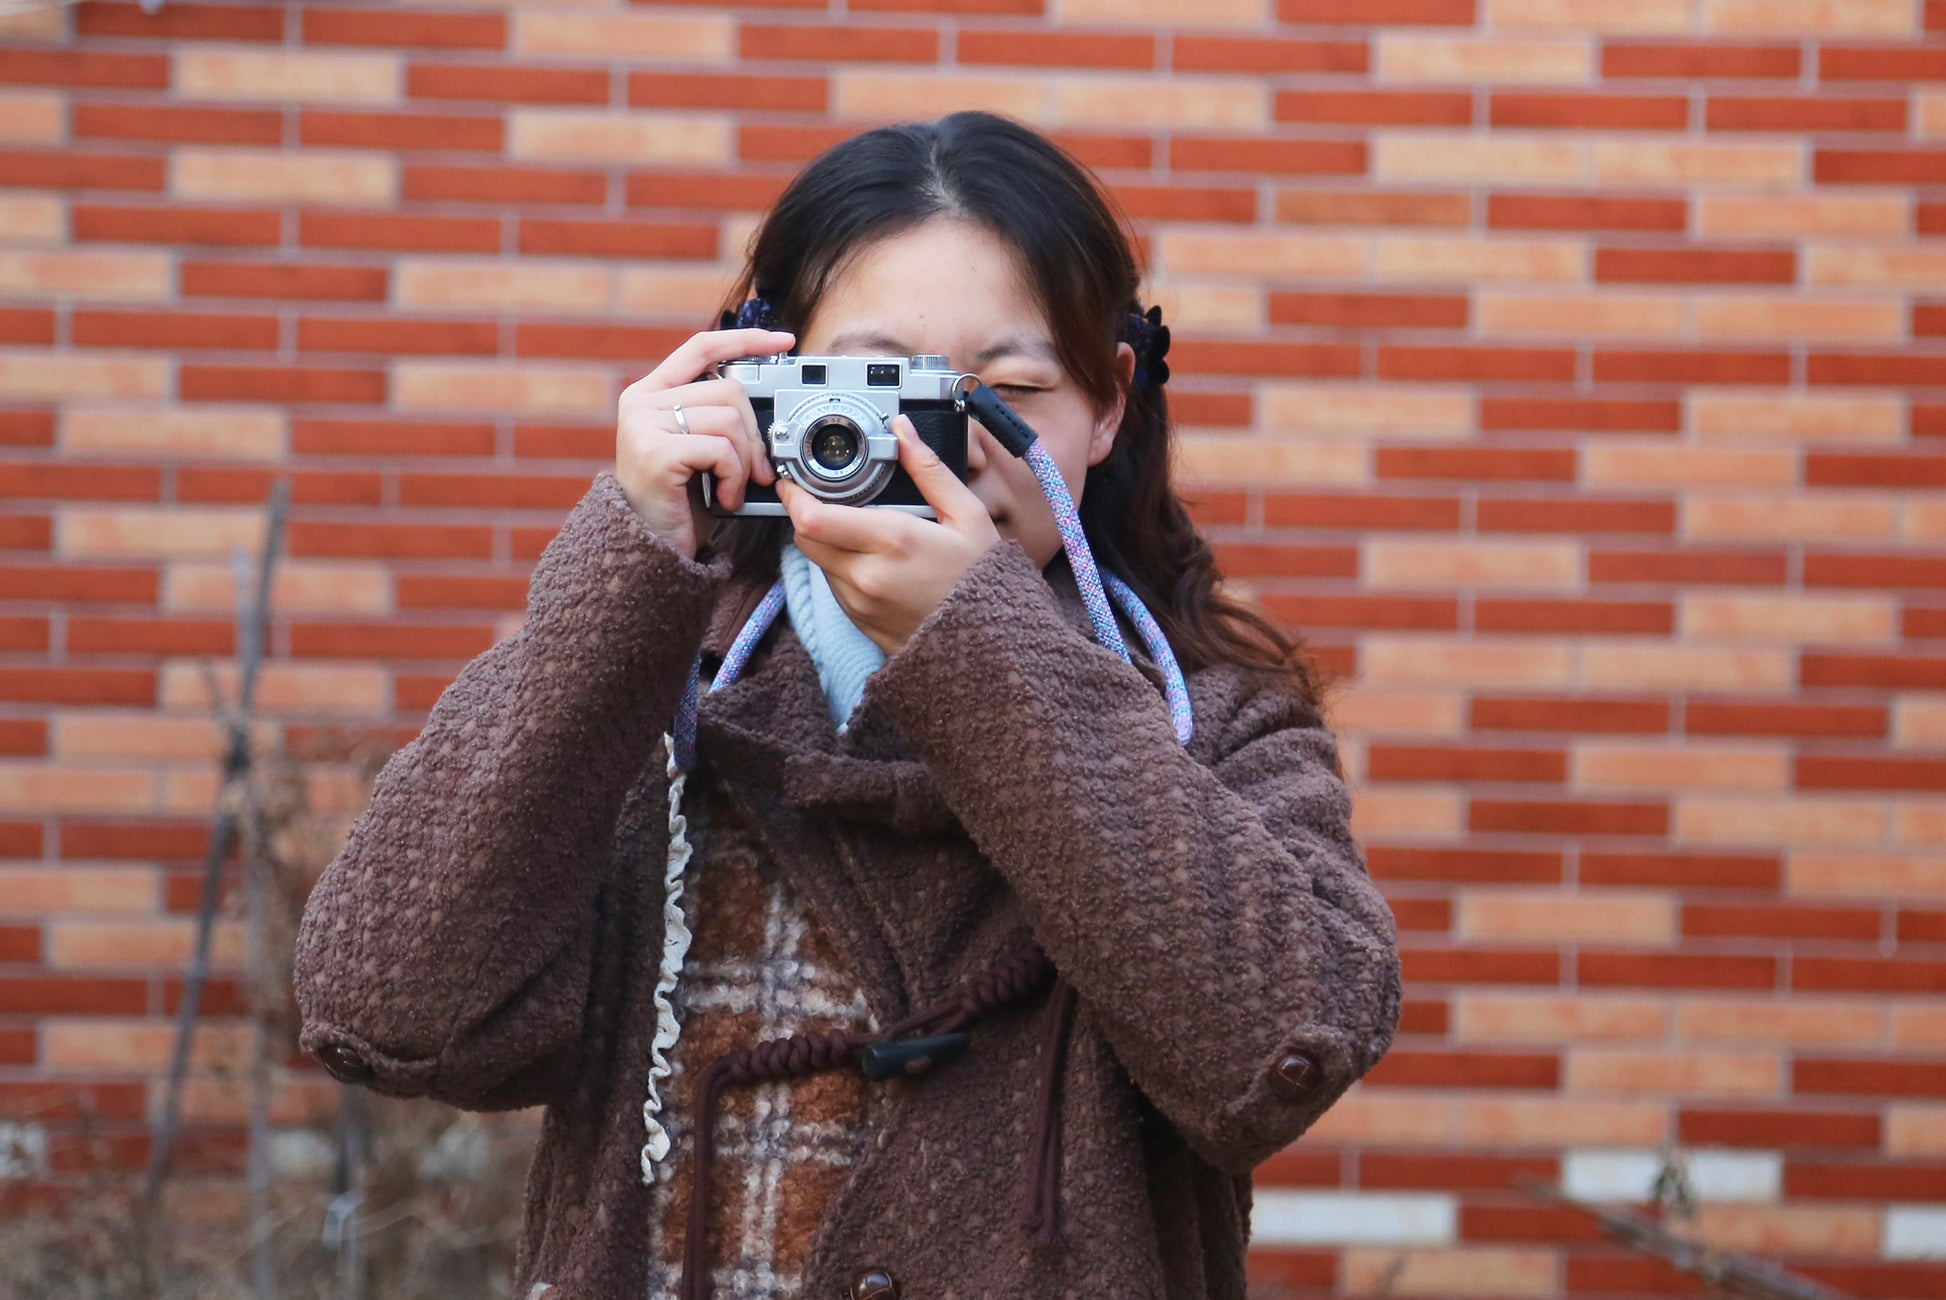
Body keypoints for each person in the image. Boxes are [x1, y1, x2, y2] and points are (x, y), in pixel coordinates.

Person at [293, 111, 1401, 1300]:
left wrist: (984, 654)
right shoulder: (653, 692)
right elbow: (387, 1007)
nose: (943, 446)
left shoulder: (1206, 722)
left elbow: (1274, 1054)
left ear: (1108, 403)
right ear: (761, 384)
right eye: (876, 386)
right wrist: (625, 572)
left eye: (1007, 390)